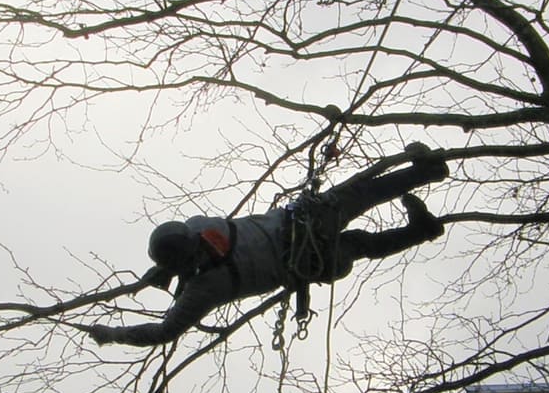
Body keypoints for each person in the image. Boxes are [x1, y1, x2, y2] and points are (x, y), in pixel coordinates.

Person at [85, 144, 450, 346]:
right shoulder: (200, 228)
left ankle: (422, 228)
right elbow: (193, 257)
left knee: (362, 242)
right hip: (307, 225)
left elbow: (164, 332)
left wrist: (115, 334)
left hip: (310, 256)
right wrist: (162, 271)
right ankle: (428, 172)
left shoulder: (203, 289)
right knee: (362, 196)